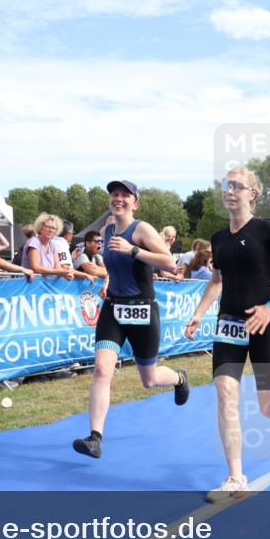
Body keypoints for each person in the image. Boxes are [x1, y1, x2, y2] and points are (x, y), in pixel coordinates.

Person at [185, 167, 270, 503]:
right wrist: (197, 314)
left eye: (237, 185)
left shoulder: (266, 230)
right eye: (226, 185)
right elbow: (216, 280)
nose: (229, 190)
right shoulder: (218, 238)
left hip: (265, 322)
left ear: (252, 193)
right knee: (225, 395)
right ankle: (236, 477)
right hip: (229, 326)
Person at [72, 180, 190, 459]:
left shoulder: (143, 229)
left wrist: (133, 250)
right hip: (113, 307)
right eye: (115, 194)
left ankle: (178, 378)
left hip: (142, 309)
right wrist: (109, 279)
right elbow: (114, 264)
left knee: (148, 379)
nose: (119, 199)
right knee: (102, 369)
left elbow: (170, 264)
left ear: (135, 203)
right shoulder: (106, 230)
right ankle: (95, 438)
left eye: (125, 195)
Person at [23, 213, 92, 283]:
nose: (51, 230)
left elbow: (58, 268)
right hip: (30, 284)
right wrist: (63, 272)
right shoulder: (34, 242)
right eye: (47, 227)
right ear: (40, 228)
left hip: (45, 285)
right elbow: (35, 268)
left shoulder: (53, 245)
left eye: (53, 228)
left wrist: (84, 275)